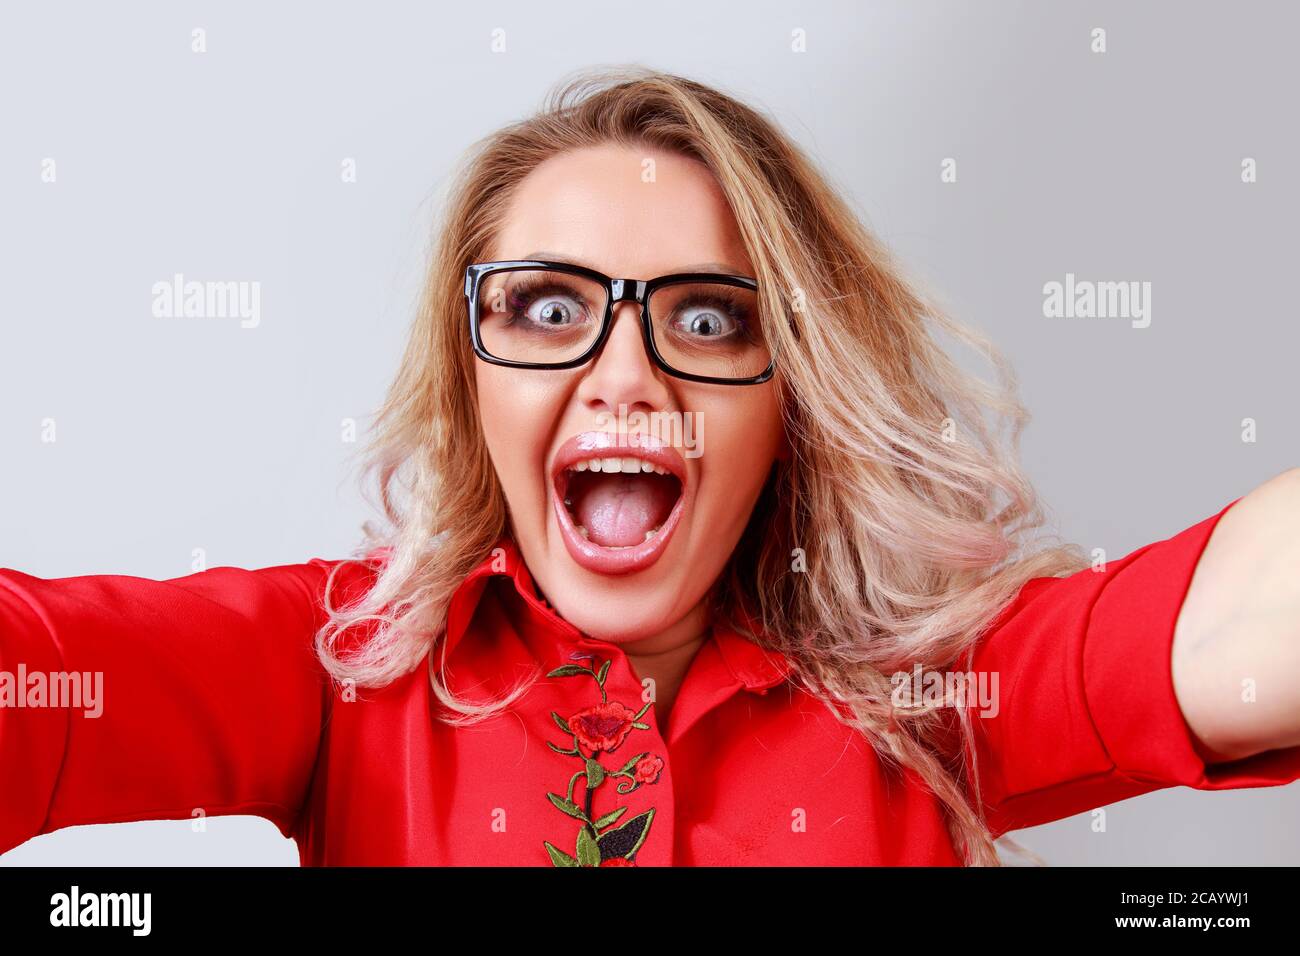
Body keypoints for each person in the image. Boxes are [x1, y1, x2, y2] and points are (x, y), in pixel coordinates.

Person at [3, 67, 1299, 867]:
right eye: (552, 310)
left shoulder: (938, 702)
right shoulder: (340, 668)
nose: (626, 377)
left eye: (707, 317)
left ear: (791, 400)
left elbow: (1246, 615)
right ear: (474, 381)